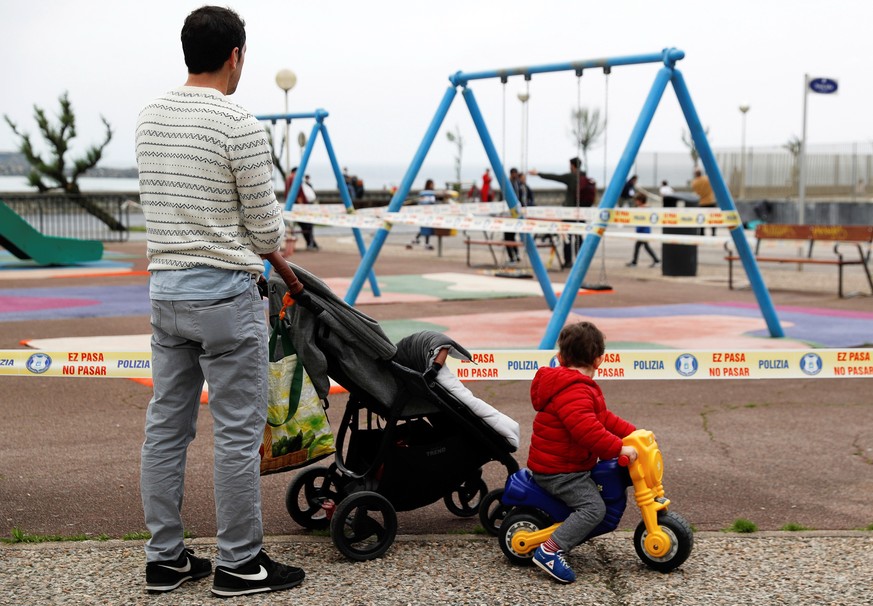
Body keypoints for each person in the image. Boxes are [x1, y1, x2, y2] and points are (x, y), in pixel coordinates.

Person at [136, 6, 305, 597]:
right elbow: (265, 234)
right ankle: (239, 564)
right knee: (235, 433)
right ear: (236, 55)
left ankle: (166, 559)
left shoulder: (149, 118)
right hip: (225, 296)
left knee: (166, 427)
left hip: (167, 292)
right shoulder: (239, 122)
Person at [528, 321, 638, 583]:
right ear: (600, 359)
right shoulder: (575, 389)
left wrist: (633, 432)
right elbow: (587, 431)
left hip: (568, 464)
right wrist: (618, 447)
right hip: (560, 472)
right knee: (593, 509)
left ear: (560, 357)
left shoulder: (575, 386)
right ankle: (550, 551)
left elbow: (602, 417)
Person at [529, 157, 585, 268]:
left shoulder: (571, 177)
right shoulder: (584, 177)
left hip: (569, 212)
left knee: (567, 237)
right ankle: (581, 260)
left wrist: (538, 174)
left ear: (573, 165)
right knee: (578, 236)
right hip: (581, 211)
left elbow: (555, 177)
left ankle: (568, 261)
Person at [285, 167, 319, 251]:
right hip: (300, 206)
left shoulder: (288, 178)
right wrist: (301, 205)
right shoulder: (295, 178)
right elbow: (299, 192)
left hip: (292, 206)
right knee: (308, 225)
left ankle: (312, 243)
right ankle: (311, 243)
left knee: (304, 226)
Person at [626, 192, 660, 268]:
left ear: (640, 201)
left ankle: (656, 260)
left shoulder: (641, 209)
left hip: (643, 231)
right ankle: (655, 260)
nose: (635, 202)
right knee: (641, 246)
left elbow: (641, 221)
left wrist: (638, 230)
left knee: (644, 246)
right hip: (645, 231)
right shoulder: (647, 209)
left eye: (636, 200)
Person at [407, 179, 437, 250]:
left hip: (423, 212)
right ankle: (426, 243)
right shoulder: (430, 193)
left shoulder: (423, 193)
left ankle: (416, 239)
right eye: (432, 184)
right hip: (428, 213)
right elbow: (432, 202)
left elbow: (420, 202)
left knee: (424, 228)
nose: (433, 185)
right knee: (427, 228)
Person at [503, 168, 522, 263]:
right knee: (508, 237)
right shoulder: (511, 184)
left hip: (515, 214)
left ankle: (515, 254)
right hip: (509, 214)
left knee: (511, 236)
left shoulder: (517, 184)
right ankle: (512, 256)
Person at [691, 168, 717, 235]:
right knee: (712, 218)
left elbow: (695, 192)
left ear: (695, 175)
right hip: (711, 201)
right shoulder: (707, 179)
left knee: (701, 218)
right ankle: (713, 232)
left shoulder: (694, 182)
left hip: (701, 202)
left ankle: (702, 232)